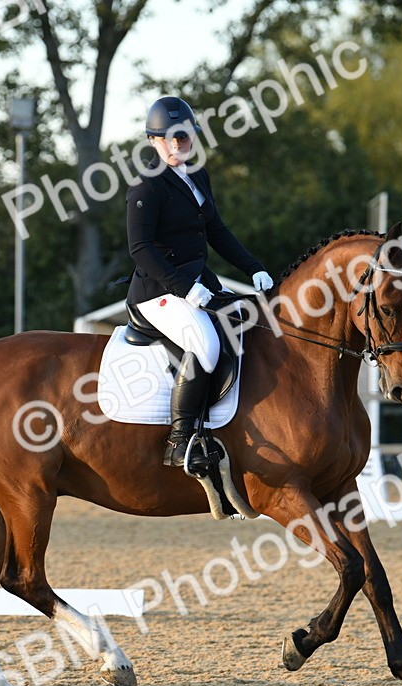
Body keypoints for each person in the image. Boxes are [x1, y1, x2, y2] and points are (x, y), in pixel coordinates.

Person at [126, 96, 273, 470]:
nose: (179, 144)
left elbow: (216, 232)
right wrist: (183, 288)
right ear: (154, 142)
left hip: (197, 283)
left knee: (249, 320)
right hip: (157, 292)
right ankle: (180, 441)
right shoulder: (146, 187)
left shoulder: (198, 176)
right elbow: (140, 248)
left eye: (185, 136)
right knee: (206, 344)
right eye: (170, 138)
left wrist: (252, 266)